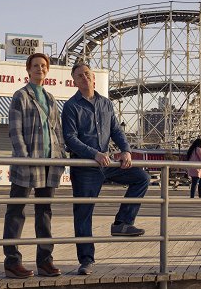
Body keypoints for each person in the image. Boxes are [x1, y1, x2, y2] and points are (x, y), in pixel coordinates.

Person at [62, 62, 150, 276]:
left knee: (142, 178)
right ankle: (86, 260)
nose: (84, 78)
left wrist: (126, 150)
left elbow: (116, 130)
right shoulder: (71, 106)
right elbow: (70, 139)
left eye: (87, 74)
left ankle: (122, 222)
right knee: (83, 214)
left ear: (93, 78)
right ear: (74, 81)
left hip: (106, 163)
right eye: (79, 76)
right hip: (85, 166)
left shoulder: (106, 104)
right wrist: (94, 153)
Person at [2, 53, 66, 279]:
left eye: (44, 66)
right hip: (28, 162)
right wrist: (24, 158)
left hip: (49, 162)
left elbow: (57, 131)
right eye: (36, 66)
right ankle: (12, 262)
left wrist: (61, 155)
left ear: (47, 70)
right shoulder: (20, 96)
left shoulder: (50, 98)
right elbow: (15, 130)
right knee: (16, 211)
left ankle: (45, 261)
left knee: (44, 212)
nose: (40, 69)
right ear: (28, 70)